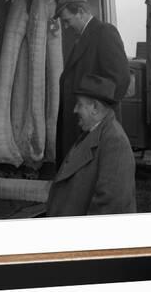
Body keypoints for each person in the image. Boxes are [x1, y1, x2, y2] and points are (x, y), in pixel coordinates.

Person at [54, 0, 130, 166]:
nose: (65, 26)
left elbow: (120, 79)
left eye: (67, 20)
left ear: (80, 11)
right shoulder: (80, 40)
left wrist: (97, 117)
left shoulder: (104, 32)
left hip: (92, 128)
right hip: (80, 125)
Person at [46, 74, 136, 217]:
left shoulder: (114, 142)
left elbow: (110, 207)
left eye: (79, 104)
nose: (75, 110)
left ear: (95, 107)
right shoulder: (93, 132)